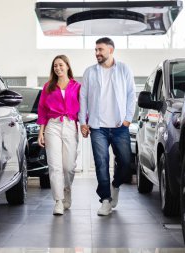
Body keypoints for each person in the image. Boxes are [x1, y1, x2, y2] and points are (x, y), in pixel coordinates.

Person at [79, 37, 136, 216]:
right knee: (101, 163)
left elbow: (131, 94)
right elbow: (84, 98)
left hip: (120, 126)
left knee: (126, 163)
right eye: (96, 50)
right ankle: (105, 199)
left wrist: (128, 119)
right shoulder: (90, 72)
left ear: (110, 50)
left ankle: (115, 186)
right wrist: (83, 122)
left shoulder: (124, 69)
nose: (97, 53)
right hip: (98, 127)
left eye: (100, 50)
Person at [37, 55, 81, 215]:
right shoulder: (48, 86)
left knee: (68, 167)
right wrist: (41, 132)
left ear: (67, 66)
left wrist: (84, 124)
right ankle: (58, 201)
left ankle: (67, 190)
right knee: (55, 166)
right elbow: (42, 109)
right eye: (55, 66)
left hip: (70, 125)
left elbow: (83, 108)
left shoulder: (77, 86)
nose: (58, 68)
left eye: (61, 65)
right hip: (52, 126)